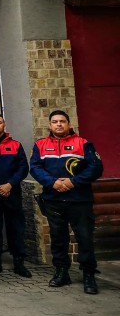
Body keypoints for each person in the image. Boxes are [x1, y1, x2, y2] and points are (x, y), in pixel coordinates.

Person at [30, 110, 103, 294]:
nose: (59, 124)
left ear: (69, 124)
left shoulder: (83, 144)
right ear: (49, 125)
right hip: (53, 199)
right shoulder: (40, 145)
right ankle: (62, 272)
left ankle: (88, 275)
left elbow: (96, 168)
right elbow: (35, 168)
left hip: (79, 200)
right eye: (55, 121)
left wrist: (73, 182)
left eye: (62, 121)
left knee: (85, 238)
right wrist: (52, 182)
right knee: (58, 238)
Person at [0, 114, 31, 277]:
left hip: (12, 192)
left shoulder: (15, 145)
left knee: (16, 228)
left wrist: (9, 184)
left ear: (4, 125)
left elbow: (23, 168)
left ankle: (19, 263)